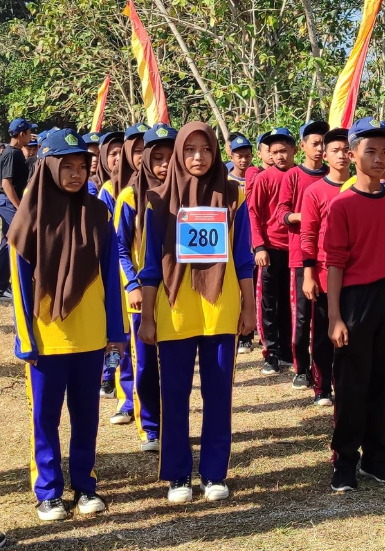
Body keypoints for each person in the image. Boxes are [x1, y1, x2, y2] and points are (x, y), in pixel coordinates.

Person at [8, 129, 125, 521]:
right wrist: (27, 338)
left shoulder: (98, 214)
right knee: (45, 418)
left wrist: (115, 333)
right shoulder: (28, 220)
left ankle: (85, 485)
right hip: (47, 339)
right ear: (49, 167)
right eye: (67, 166)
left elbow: (111, 278)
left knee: (86, 417)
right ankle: (48, 492)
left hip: (90, 337)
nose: (76, 174)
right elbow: (21, 288)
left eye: (82, 166)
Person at [139, 122, 255, 504]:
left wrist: (249, 307)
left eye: (206, 150)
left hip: (221, 310)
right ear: (178, 155)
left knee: (219, 394)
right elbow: (151, 265)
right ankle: (177, 475)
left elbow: (243, 259)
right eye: (190, 150)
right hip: (174, 311)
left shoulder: (234, 195)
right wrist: (149, 318)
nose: (198, 157)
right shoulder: (157, 200)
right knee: (174, 395)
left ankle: (214, 473)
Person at [324, 117, 385, 492]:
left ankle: (376, 457)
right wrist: (334, 317)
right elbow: (334, 263)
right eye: (370, 150)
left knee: (384, 381)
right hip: (355, 299)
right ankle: (345, 461)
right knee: (351, 384)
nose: (379, 157)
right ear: (352, 153)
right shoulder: (342, 205)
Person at [113, 123, 177, 451]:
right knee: (146, 363)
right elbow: (120, 248)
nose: (165, 164)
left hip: (178, 295)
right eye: (158, 157)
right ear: (146, 160)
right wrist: (133, 285)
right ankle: (150, 426)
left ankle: (174, 424)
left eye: (171, 156)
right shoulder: (129, 196)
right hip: (143, 295)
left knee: (175, 366)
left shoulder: (186, 194)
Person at [276, 120, 329, 389]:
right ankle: (301, 368)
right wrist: (306, 216)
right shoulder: (292, 176)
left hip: (330, 259)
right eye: (315, 143)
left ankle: (323, 373)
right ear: (303, 147)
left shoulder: (334, 175)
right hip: (300, 257)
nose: (320, 149)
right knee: (301, 316)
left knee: (324, 319)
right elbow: (281, 214)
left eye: (324, 144)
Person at [300, 127, 350, 408]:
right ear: (326, 155)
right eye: (335, 150)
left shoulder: (359, 187)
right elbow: (308, 234)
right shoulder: (314, 192)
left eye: (345, 150)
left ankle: (346, 381)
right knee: (321, 333)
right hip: (322, 274)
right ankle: (322, 387)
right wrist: (308, 274)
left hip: (354, 276)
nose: (341, 155)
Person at [101, 124, 147, 410]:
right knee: (120, 342)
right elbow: (113, 241)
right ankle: (123, 395)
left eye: (146, 150)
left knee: (141, 347)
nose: (140, 156)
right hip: (119, 279)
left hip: (146, 284)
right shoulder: (111, 191)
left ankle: (143, 400)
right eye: (135, 151)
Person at [248, 128, 296, 376]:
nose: (279, 156)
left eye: (283, 151)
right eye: (274, 151)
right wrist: (259, 246)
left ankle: (289, 351)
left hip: (297, 250)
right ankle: (272, 353)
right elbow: (254, 213)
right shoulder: (264, 178)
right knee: (269, 303)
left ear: (294, 151)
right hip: (270, 249)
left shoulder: (300, 175)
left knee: (293, 305)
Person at [0, 117, 33, 299]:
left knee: (6, 244)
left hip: (7, 202)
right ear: (22, 133)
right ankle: (23, 280)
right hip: (8, 202)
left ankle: (1, 288)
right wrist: (19, 208)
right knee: (24, 236)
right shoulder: (11, 153)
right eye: (29, 132)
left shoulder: (14, 152)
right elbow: (6, 183)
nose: (31, 135)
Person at [228, 133, 258, 352]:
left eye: (247, 156)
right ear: (231, 155)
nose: (243, 160)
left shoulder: (257, 178)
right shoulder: (224, 181)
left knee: (252, 285)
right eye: (239, 156)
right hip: (234, 240)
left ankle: (248, 334)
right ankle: (240, 335)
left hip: (253, 240)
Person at [94, 131, 123, 218]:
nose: (119, 158)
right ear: (103, 158)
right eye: (113, 154)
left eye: (122, 153)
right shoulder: (96, 186)